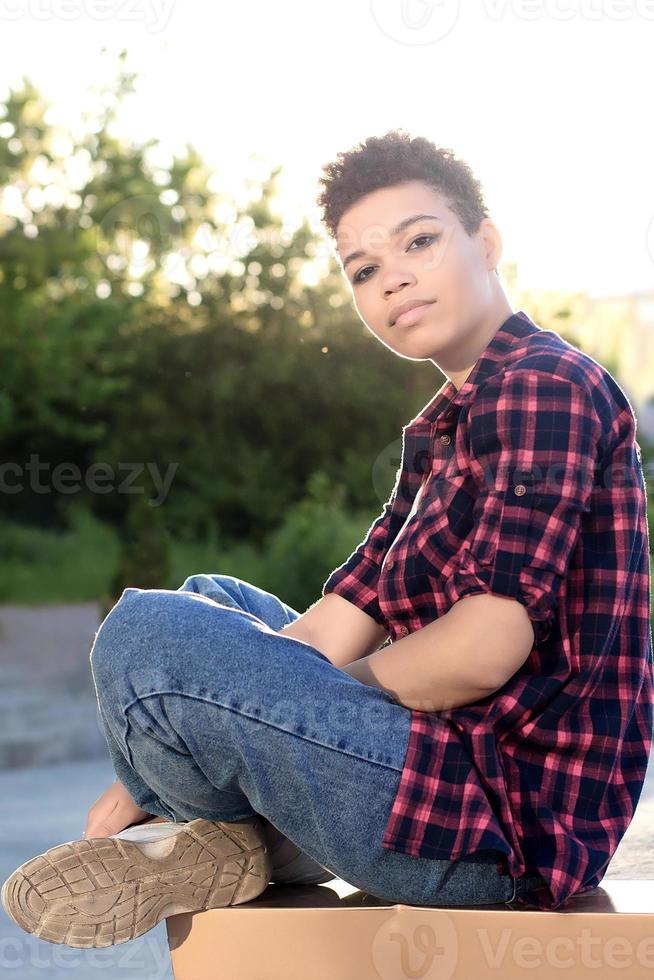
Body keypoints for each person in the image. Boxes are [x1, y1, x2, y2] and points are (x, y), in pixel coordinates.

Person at [3, 130, 652, 949]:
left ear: (486, 242)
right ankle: (247, 840)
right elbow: (327, 627)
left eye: (419, 240)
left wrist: (290, 706)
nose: (395, 278)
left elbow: (485, 648)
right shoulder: (443, 430)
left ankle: (216, 830)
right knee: (212, 601)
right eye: (365, 269)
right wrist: (277, 700)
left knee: (147, 635)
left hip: (491, 826)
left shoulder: (543, 384)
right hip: (423, 778)